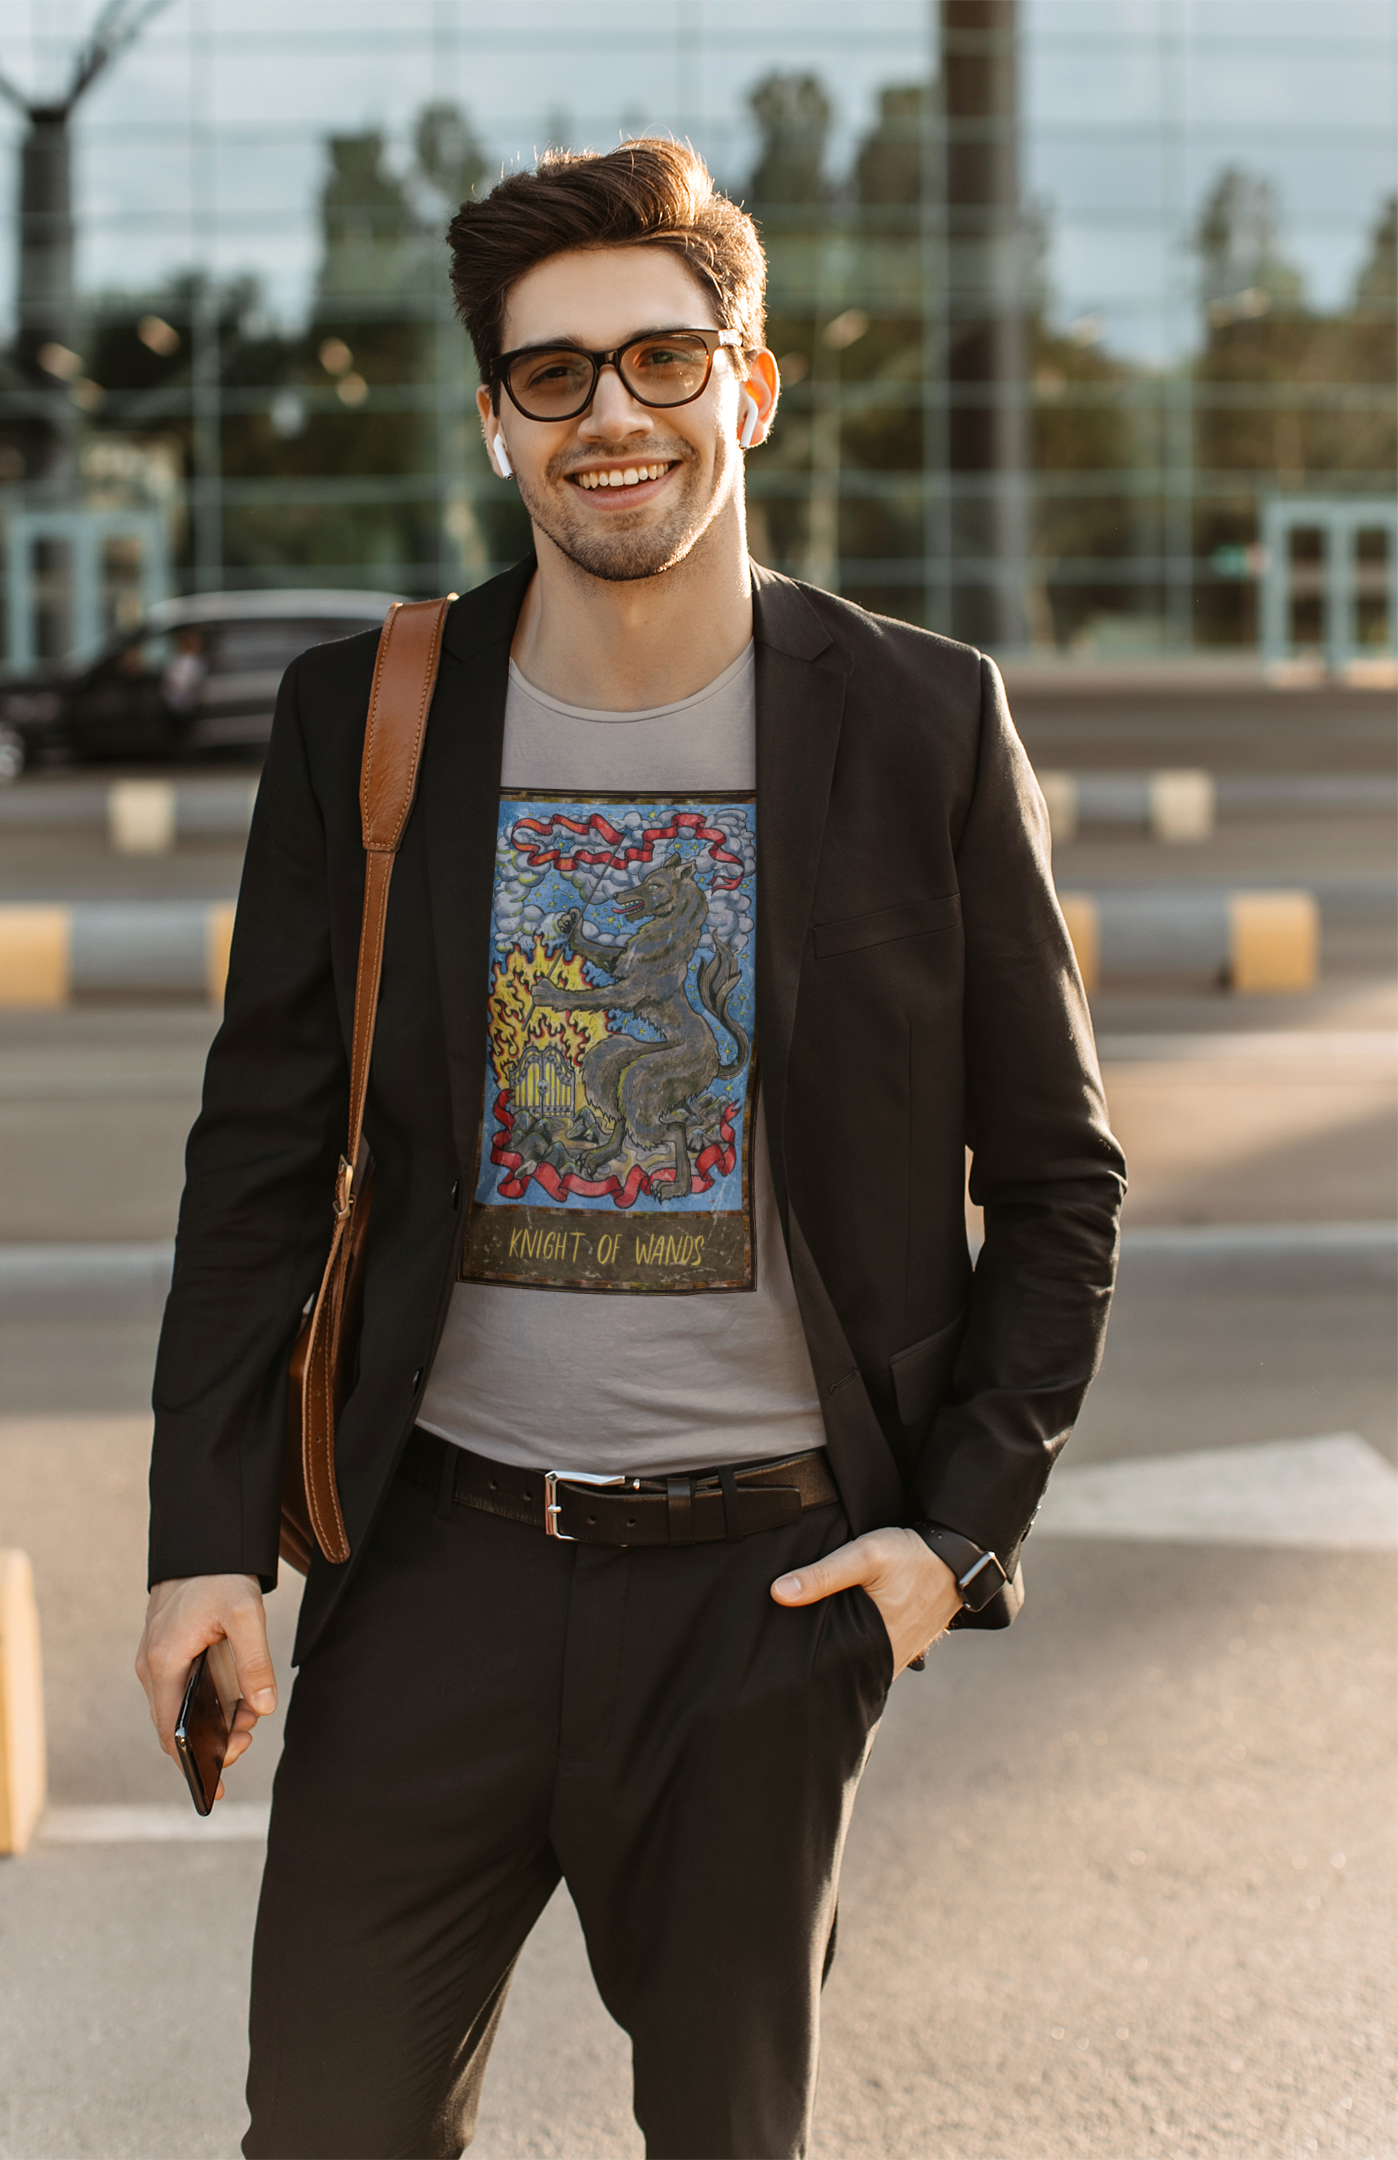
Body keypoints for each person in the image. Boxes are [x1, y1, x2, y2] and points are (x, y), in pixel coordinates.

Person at [136, 140, 1124, 2160]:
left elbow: (1058, 1179)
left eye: (663, 360)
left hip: (763, 1601)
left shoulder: (923, 720)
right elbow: (255, 1162)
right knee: (323, 2130)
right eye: (555, 375)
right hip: (434, 1574)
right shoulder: (370, 716)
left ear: (747, 390)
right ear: (495, 420)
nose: (614, 416)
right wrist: (201, 1544)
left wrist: (948, 1544)